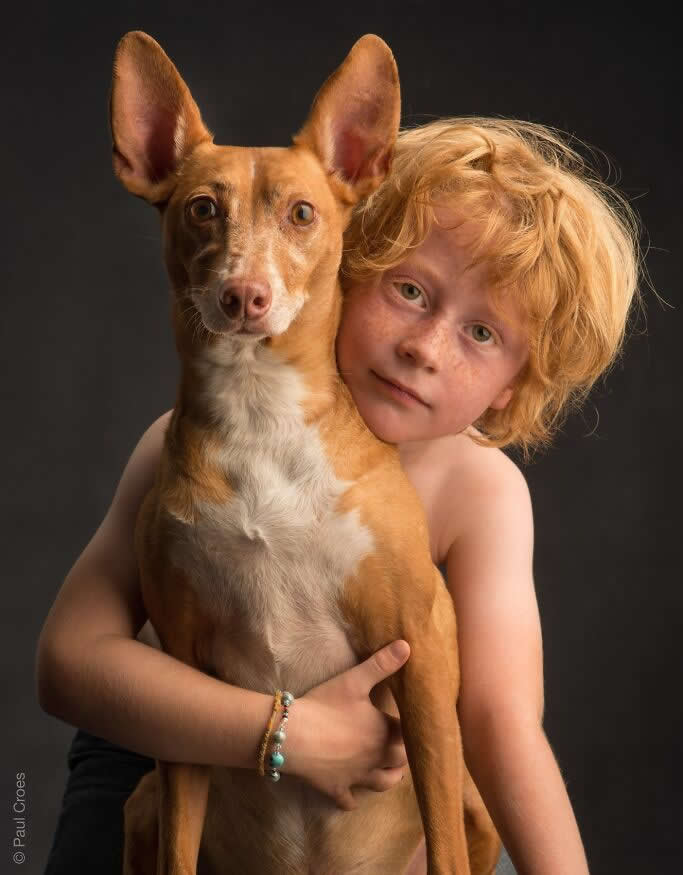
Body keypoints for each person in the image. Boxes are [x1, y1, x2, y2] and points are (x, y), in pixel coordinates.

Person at [36, 116, 640, 875]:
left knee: (483, 820)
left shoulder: (480, 486)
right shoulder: (183, 442)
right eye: (410, 290)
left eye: (482, 335)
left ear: (512, 385)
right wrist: (288, 733)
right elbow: (69, 661)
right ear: (342, 259)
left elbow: (501, 724)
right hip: (175, 744)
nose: (426, 347)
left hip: (369, 808)